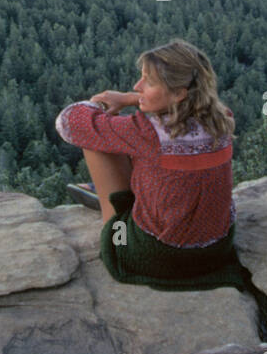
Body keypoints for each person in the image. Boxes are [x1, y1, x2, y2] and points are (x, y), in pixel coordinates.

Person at [55, 39, 250, 290]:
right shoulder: (223, 118)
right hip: (216, 252)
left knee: (95, 137)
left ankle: (112, 204)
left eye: (148, 81)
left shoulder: (148, 132)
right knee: (137, 147)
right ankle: (132, 196)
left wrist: (98, 104)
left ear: (179, 93)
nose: (137, 86)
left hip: (159, 258)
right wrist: (131, 98)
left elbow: (68, 123)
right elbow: (182, 109)